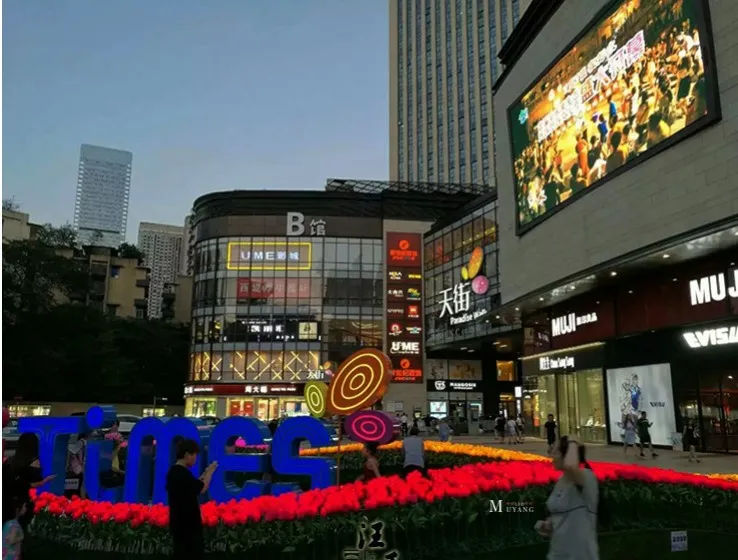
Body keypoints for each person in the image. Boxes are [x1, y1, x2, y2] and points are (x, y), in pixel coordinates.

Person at [535, 436, 599, 560]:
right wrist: (549, 524)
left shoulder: (586, 477)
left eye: (555, 451)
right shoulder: (561, 480)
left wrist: (573, 441)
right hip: (558, 553)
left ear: (566, 454)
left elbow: (570, 465)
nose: (551, 456)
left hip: (579, 555)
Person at [166, 439, 218, 560]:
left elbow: (194, 486)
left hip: (178, 521)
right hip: (188, 523)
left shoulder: (174, 471)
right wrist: (210, 472)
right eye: (194, 455)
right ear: (186, 455)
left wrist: (204, 474)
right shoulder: (182, 473)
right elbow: (202, 488)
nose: (195, 458)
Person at [2, 433, 55, 534]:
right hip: (24, 504)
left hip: (8, 504)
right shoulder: (34, 463)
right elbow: (31, 484)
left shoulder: (9, 462)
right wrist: (45, 480)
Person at [2, 496, 25, 560]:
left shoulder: (7, 523)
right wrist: (20, 538)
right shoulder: (15, 524)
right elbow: (11, 541)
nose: (25, 509)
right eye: (24, 506)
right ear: (18, 509)